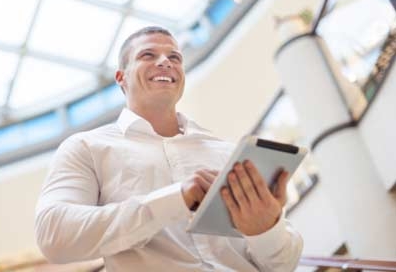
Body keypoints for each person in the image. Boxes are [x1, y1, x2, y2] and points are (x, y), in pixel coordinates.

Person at [35, 26, 303, 272]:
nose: (165, 62)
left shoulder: (228, 153)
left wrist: (266, 229)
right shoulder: (87, 147)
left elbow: (284, 265)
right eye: (148, 55)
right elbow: (54, 234)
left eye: (174, 58)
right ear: (121, 78)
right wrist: (176, 199)